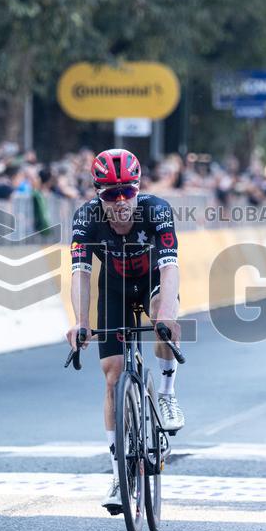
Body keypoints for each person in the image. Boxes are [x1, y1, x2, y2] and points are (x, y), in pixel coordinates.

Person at [64, 148, 183, 511]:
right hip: (114, 289)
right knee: (113, 375)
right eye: (111, 195)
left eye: (127, 192)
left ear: (137, 188)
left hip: (151, 283)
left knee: (166, 324)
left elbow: (170, 269)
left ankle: (165, 391)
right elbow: (80, 274)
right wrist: (81, 322)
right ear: (98, 195)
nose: (120, 202)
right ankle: (118, 476)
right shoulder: (86, 218)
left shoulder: (156, 210)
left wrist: (164, 314)